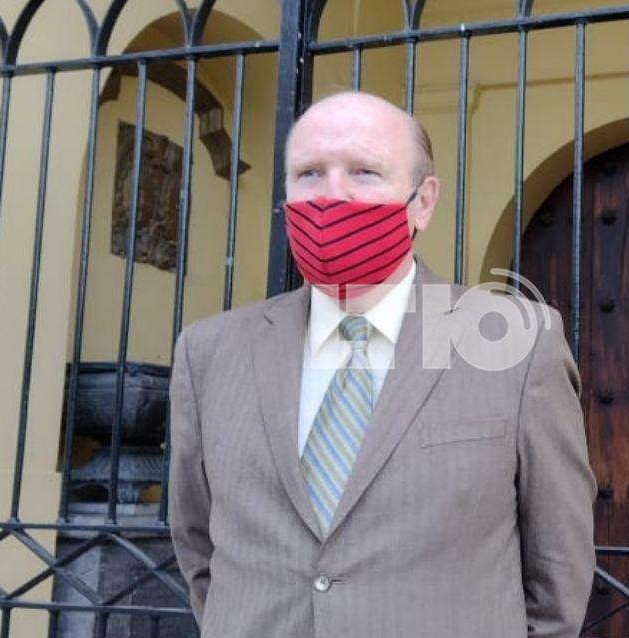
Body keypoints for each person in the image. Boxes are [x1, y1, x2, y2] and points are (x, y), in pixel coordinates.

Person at [168, 91, 597, 637]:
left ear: (423, 202)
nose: (332, 195)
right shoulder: (208, 352)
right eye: (309, 173)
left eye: (365, 172)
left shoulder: (518, 346)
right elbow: (197, 545)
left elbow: (558, 572)